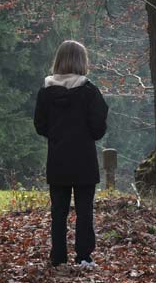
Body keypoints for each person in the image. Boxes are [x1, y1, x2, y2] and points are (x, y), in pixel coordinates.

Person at [33, 40, 109, 269]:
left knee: (59, 211)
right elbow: (99, 127)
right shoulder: (89, 91)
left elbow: (40, 125)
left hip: (57, 158)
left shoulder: (46, 91)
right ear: (82, 61)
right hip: (84, 159)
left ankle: (58, 256)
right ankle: (84, 256)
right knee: (85, 211)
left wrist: (57, 136)